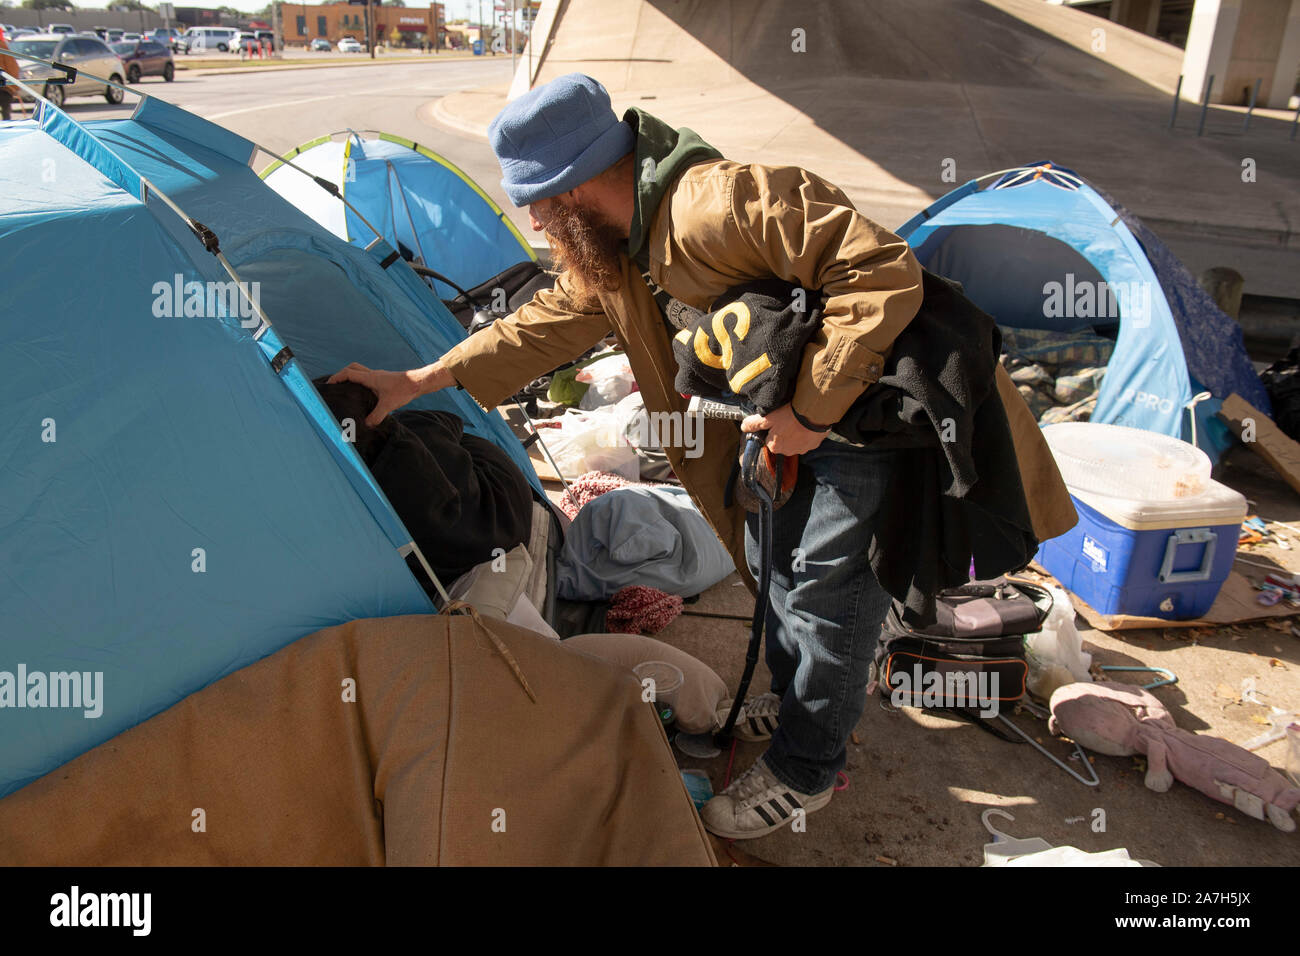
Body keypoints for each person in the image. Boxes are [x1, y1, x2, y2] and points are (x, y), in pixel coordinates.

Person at [329, 73, 1075, 839]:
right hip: (786, 425)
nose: (532, 219)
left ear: (576, 184)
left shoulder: (721, 202)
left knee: (827, 594)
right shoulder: (617, 247)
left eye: (538, 201)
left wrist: (810, 413)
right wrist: (416, 382)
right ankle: (794, 704)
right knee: (774, 563)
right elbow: (547, 322)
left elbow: (880, 272)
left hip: (861, 424)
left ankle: (806, 771)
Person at [0, 28, 18, 122]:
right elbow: (13, 68)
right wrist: (14, 87)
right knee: (5, 119)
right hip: (4, 89)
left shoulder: (2, 47)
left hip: (4, 88)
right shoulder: (3, 47)